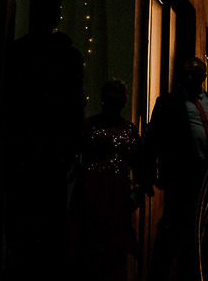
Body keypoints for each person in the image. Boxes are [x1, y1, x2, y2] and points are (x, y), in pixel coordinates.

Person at [4, 0, 85, 281]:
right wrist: (73, 148)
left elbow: (9, 102)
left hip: (25, 147)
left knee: (24, 220)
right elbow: (76, 105)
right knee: (48, 222)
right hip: (50, 150)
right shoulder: (68, 55)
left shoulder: (18, 51)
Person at [144, 56, 208, 281]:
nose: (191, 79)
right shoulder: (168, 103)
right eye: (188, 74)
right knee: (172, 231)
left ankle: (194, 274)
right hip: (181, 176)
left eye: (196, 75)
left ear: (204, 78)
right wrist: (147, 174)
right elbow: (152, 140)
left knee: (201, 234)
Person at [67, 79, 142, 281]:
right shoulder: (87, 125)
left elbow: (140, 166)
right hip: (90, 192)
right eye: (110, 96)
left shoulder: (130, 130)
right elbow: (73, 157)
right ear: (102, 99)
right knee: (88, 245)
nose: (114, 100)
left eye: (118, 96)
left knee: (113, 248)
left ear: (124, 101)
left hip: (118, 196)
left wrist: (136, 193)